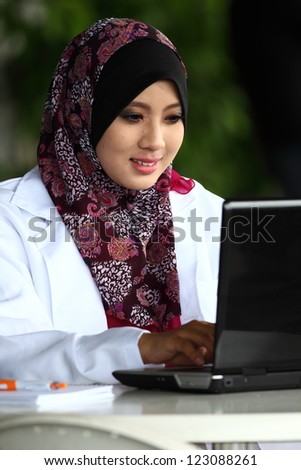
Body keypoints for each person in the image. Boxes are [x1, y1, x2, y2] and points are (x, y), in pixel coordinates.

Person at [0, 18, 222, 385]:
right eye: (132, 116)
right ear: (84, 110)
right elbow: (12, 353)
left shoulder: (208, 211)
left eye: (173, 118)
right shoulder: (10, 217)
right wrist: (144, 348)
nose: (155, 141)